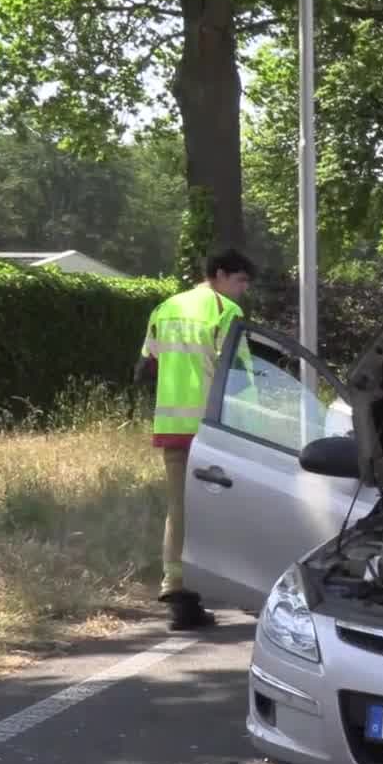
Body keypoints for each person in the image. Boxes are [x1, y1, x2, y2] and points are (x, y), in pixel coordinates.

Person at [135, 248, 255, 630]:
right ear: (219, 274)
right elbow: (238, 375)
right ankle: (246, 586)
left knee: (180, 510)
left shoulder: (164, 308)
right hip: (213, 430)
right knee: (236, 505)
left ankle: (179, 590)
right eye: (240, 280)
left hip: (173, 428)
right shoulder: (225, 312)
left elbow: (147, 367)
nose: (243, 290)